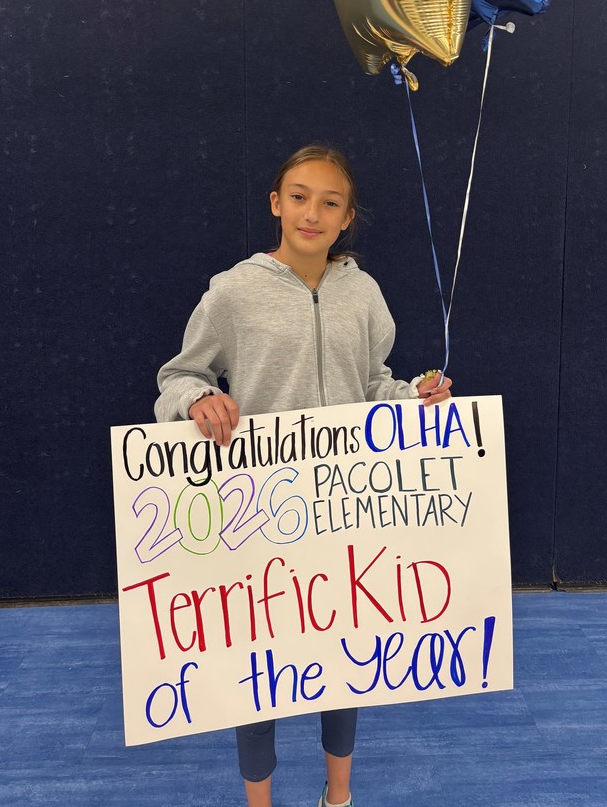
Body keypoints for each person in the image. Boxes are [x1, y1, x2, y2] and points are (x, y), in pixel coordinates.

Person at [155, 144, 452, 807]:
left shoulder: (364, 294)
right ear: (275, 203)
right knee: (255, 667)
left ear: (347, 218)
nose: (311, 213)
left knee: (345, 660)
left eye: (329, 202)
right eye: (298, 196)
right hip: (258, 511)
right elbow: (178, 377)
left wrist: (414, 396)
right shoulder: (234, 292)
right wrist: (195, 401)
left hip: (344, 509)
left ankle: (337, 797)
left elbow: (375, 382)